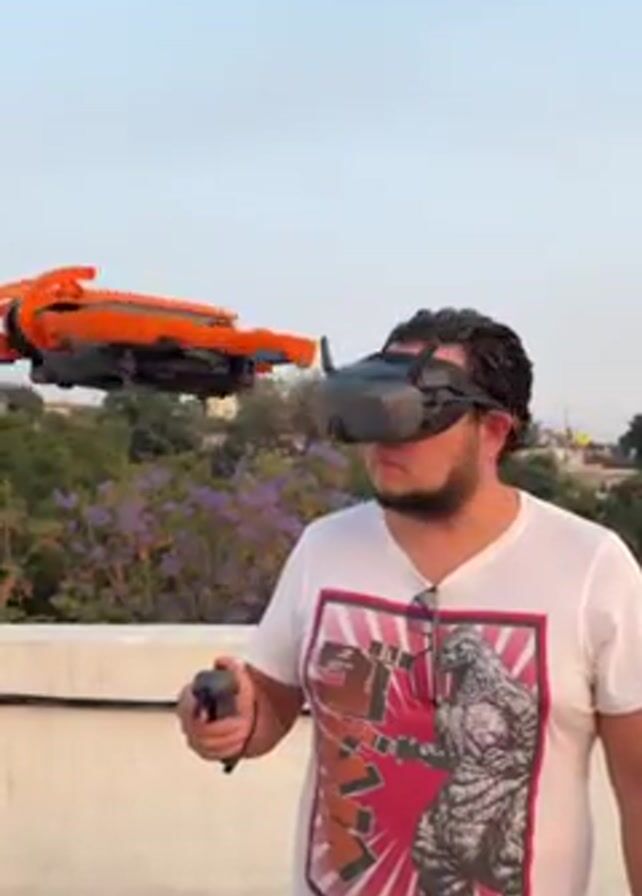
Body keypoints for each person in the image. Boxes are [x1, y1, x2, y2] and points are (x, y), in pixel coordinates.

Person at [176, 308, 642, 896]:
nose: (385, 439)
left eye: (415, 413)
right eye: (374, 409)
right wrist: (235, 719)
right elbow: (271, 703)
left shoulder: (591, 567)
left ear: (494, 431)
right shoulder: (325, 547)